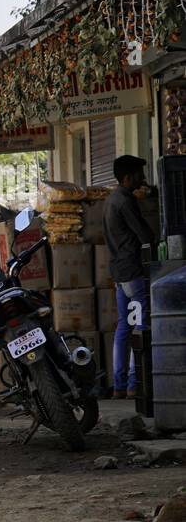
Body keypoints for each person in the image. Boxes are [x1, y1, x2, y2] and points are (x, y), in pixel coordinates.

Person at [102, 155, 157, 399]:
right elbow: (144, 235)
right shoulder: (125, 201)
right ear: (127, 177)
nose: (142, 179)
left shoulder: (111, 200)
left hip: (119, 273)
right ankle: (135, 384)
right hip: (133, 274)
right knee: (139, 327)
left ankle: (120, 385)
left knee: (124, 327)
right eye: (138, 174)